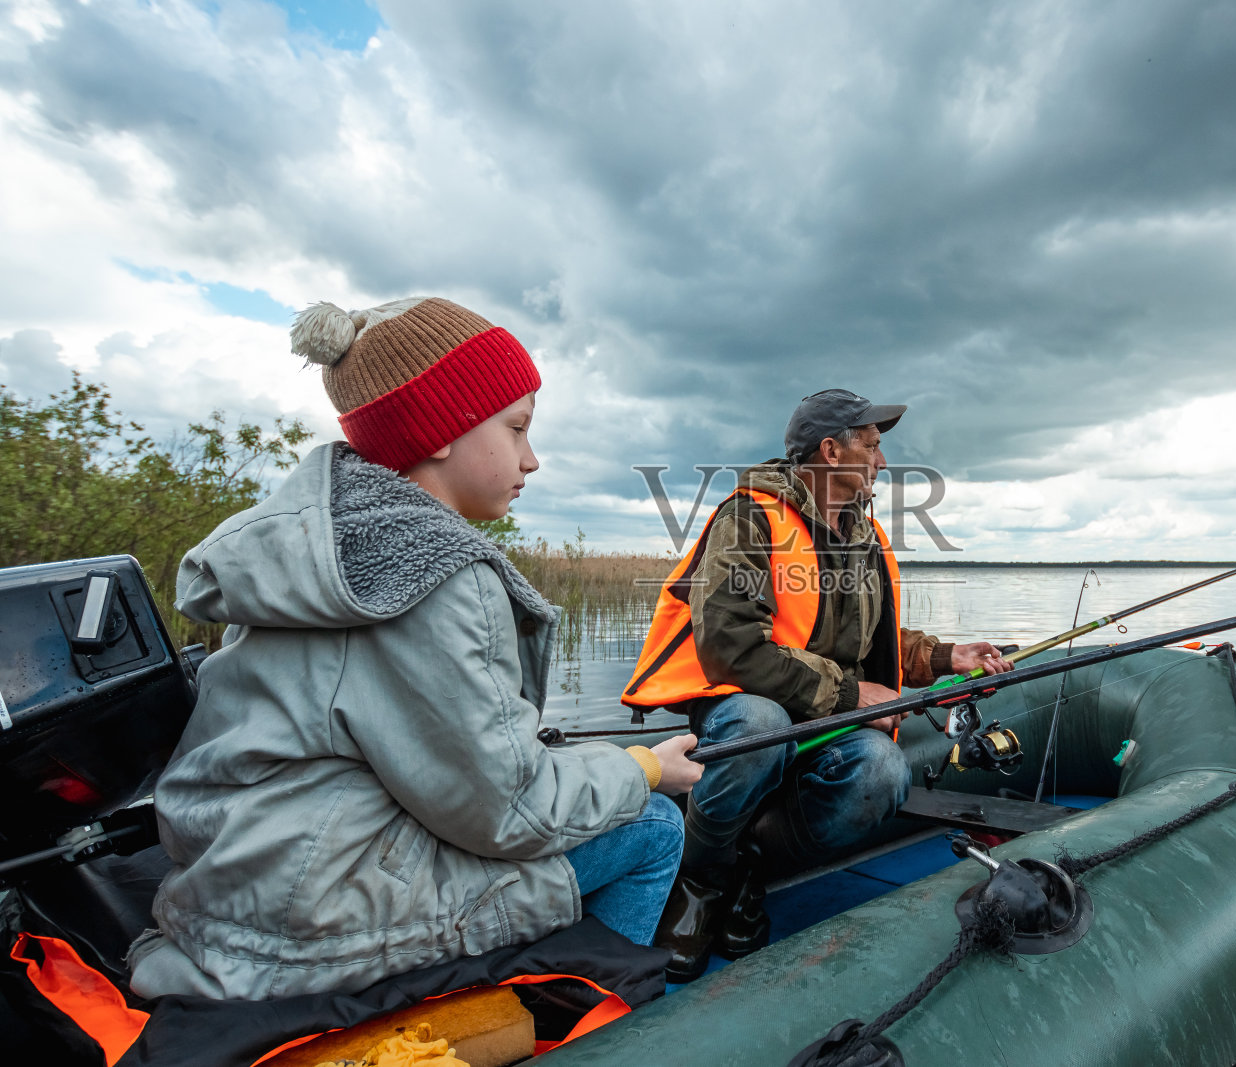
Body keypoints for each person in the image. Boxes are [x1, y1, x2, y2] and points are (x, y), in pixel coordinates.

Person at [127, 297, 702, 1001]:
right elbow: (511, 812)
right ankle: (600, 1023)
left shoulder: (328, 550)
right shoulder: (433, 573)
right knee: (651, 826)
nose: (533, 457)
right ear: (439, 431)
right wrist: (642, 767)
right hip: (318, 922)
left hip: (244, 892)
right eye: (516, 428)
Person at [622, 389, 1014, 981]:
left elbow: (871, 642)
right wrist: (854, 697)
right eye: (873, 447)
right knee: (762, 725)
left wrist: (945, 656)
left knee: (882, 771)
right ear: (831, 451)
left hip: (822, 717)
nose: (883, 462)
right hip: (748, 706)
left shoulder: (864, 536)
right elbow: (732, 646)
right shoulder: (747, 519)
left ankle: (749, 864)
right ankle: (701, 882)